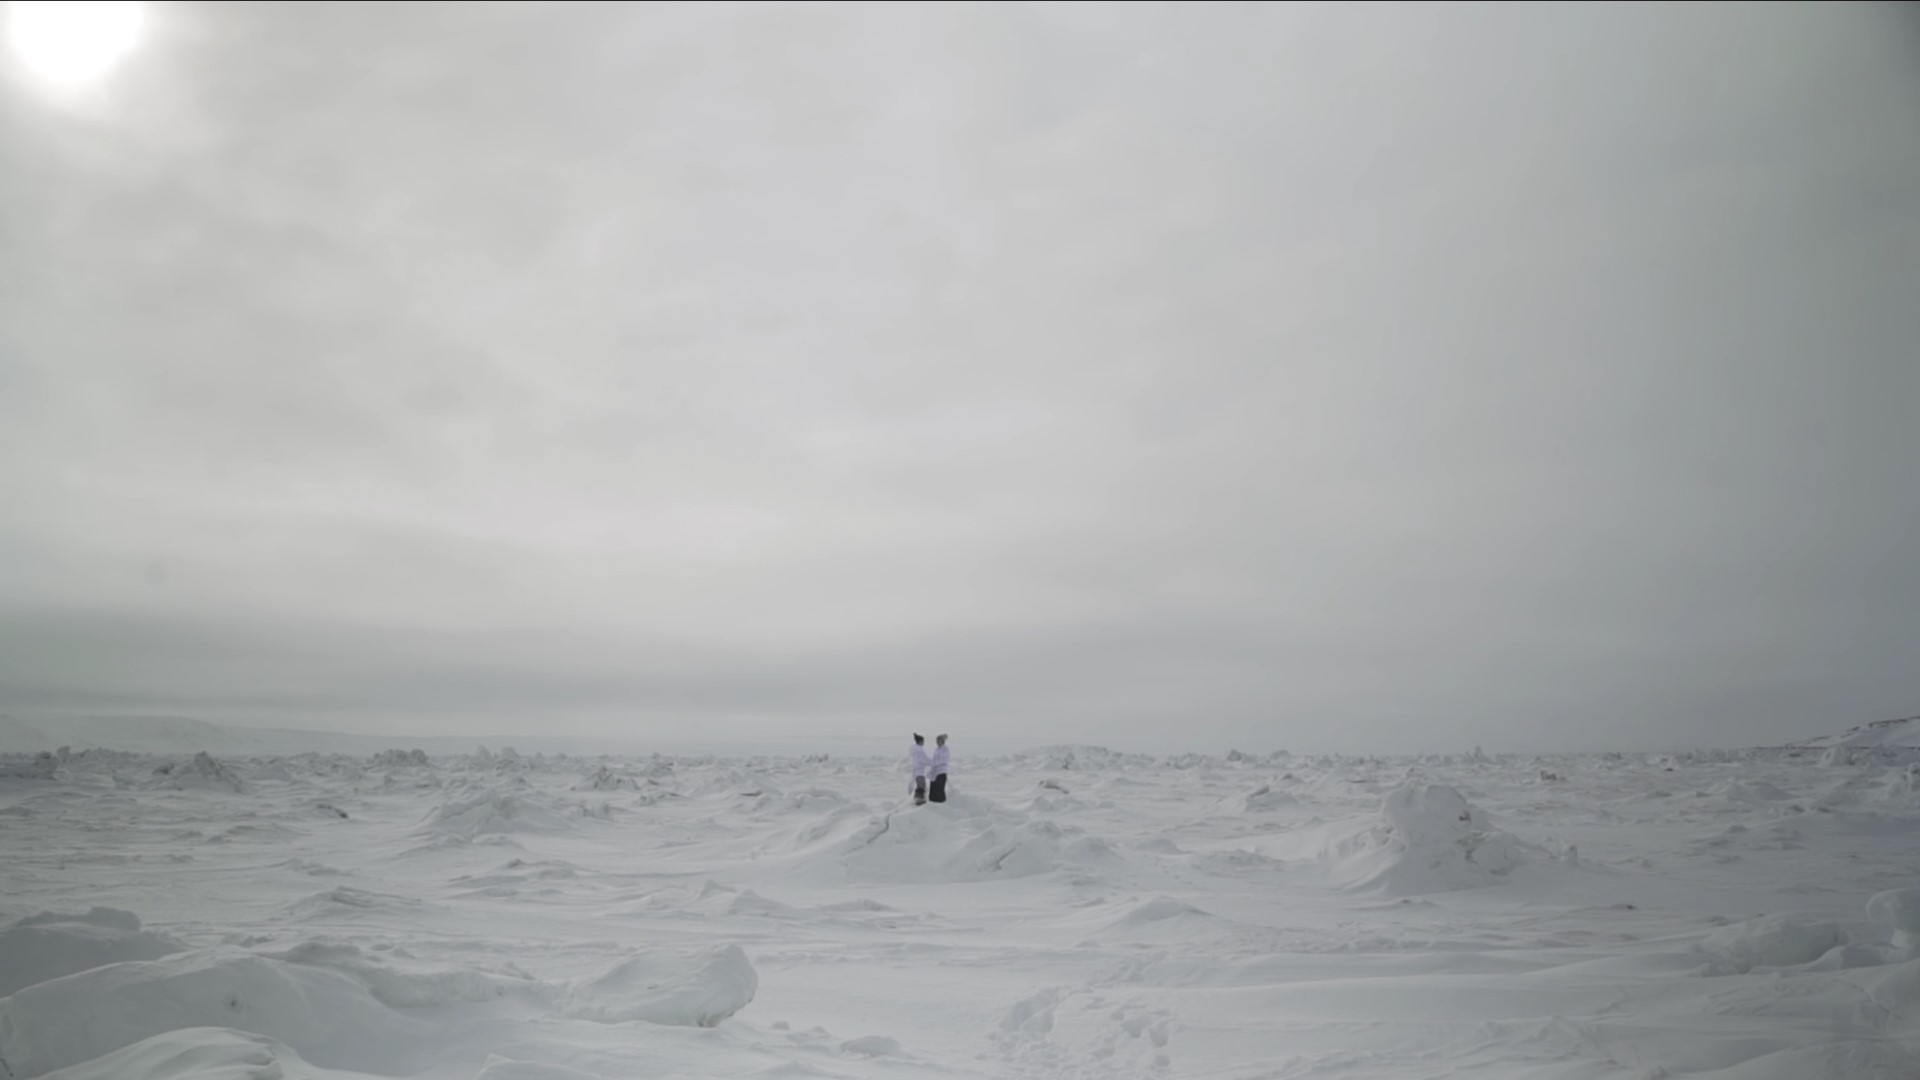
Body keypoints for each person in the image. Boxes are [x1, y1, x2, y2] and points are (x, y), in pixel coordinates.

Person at [908, 733, 930, 805]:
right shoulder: (919, 750)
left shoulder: (913, 750)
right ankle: (918, 800)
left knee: (920, 785)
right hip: (919, 770)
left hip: (914, 770)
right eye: (923, 741)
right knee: (921, 785)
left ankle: (918, 799)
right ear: (921, 741)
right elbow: (924, 759)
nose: (923, 743)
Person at [929, 733, 950, 803]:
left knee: (939, 789)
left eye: (939, 740)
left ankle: (941, 804)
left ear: (942, 741)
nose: (937, 742)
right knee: (933, 789)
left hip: (941, 772)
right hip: (935, 773)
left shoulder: (945, 749)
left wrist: (935, 763)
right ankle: (933, 803)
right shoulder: (936, 749)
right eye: (937, 740)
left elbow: (943, 759)